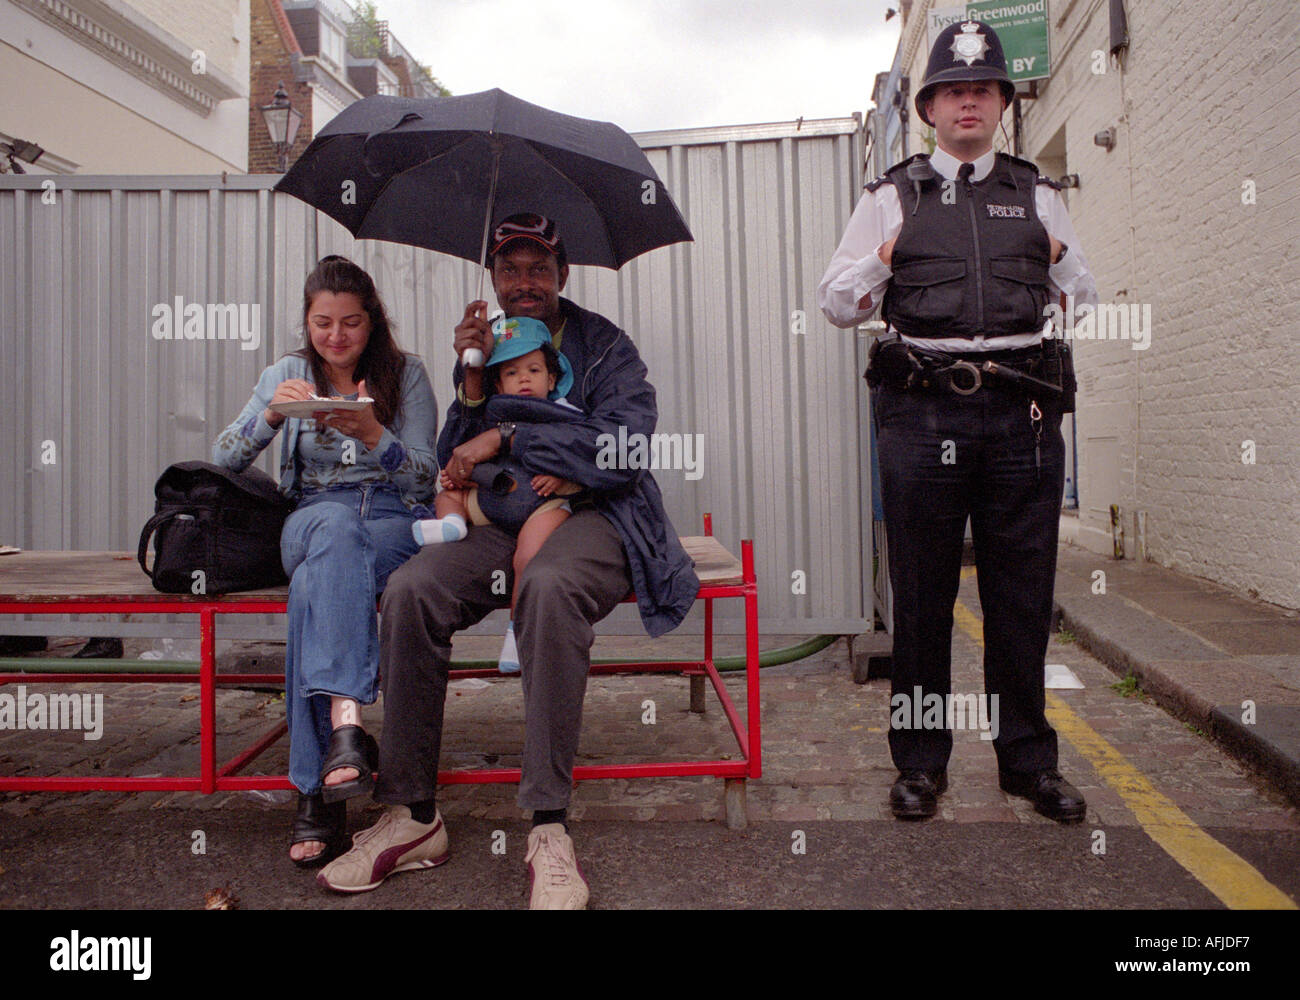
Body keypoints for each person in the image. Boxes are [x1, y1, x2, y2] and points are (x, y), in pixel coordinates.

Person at [317, 213, 699, 908]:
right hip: (498, 517)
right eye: (510, 269)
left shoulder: (607, 348)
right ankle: (411, 814)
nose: (524, 283)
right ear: (494, 277)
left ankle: (549, 826)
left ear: (562, 275)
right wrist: (470, 390)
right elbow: (452, 458)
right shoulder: (486, 349)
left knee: (549, 588)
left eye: (538, 268)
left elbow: (622, 452)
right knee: (411, 589)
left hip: (594, 517)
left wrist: (508, 437)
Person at [819, 21, 1098, 822]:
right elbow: (836, 304)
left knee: (1021, 594)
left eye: (984, 89)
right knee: (923, 596)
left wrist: (1059, 256)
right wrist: (885, 255)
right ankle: (920, 764)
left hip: (1024, 412)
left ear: (1001, 103)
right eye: (953, 90)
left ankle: (1027, 764)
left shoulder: (1037, 192)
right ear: (930, 106)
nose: (968, 100)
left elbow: (1086, 300)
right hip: (921, 407)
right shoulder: (889, 194)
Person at [212, 255, 438, 866]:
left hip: (392, 520)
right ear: (307, 322)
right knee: (333, 531)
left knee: (316, 588)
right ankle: (344, 725)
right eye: (322, 323)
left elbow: (425, 480)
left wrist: (374, 437)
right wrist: (270, 416)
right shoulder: (287, 372)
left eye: (351, 323)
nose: (336, 337)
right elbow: (224, 457)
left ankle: (316, 792)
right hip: (313, 514)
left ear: (374, 323)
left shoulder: (407, 375)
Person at [412, 315, 585, 674]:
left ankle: (516, 634)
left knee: (529, 557)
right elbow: (453, 450)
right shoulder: (487, 413)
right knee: (448, 491)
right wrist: (458, 473)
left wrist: (561, 475)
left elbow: (579, 454)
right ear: (498, 383)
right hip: (488, 501)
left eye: (534, 370)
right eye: (511, 372)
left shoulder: (564, 414)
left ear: (552, 378)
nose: (524, 378)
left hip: (543, 504)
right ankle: (451, 524)